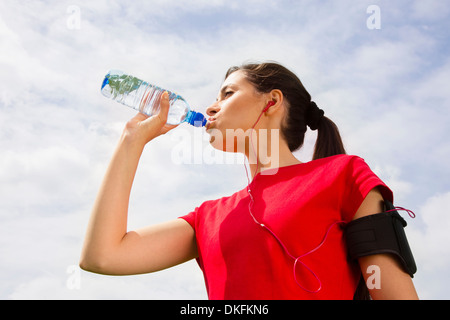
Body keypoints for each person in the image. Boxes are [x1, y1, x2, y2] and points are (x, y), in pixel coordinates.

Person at [80, 62, 419, 300]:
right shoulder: (208, 218)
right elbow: (103, 257)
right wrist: (130, 141)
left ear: (271, 101)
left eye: (226, 94)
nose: (211, 108)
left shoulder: (344, 176)